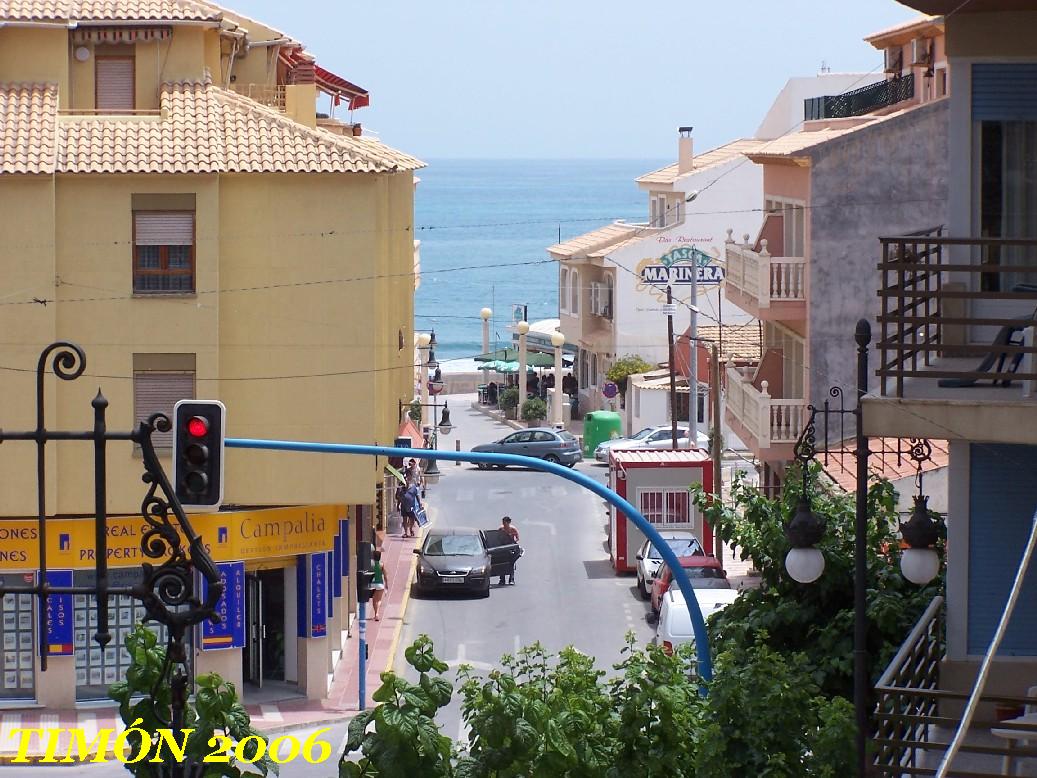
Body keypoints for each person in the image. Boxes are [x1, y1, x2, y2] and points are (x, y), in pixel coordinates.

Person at [498, 516, 520, 586]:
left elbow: (517, 538)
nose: (504, 524)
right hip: (503, 548)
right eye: (503, 522)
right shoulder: (501, 529)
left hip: (511, 548)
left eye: (505, 522)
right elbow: (497, 538)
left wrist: (512, 543)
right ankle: (502, 580)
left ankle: (511, 579)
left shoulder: (513, 529)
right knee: (501, 564)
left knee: (511, 564)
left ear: (509, 522)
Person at [370, 549, 388, 620]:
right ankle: (377, 613)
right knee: (379, 600)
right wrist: (386, 584)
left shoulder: (371, 564)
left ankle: (375, 614)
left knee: (374, 599)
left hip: (372, 584)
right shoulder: (381, 564)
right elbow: (385, 575)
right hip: (380, 584)